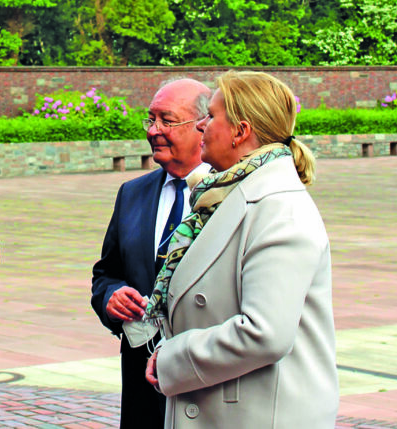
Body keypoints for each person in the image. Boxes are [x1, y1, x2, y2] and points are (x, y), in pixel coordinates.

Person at [144, 70, 339, 428]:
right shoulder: (227, 194)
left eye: (212, 116)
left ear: (241, 131)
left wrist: (174, 359)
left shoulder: (279, 208)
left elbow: (265, 333)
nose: (201, 125)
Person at [91, 78, 211, 428]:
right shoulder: (133, 193)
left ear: (202, 127)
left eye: (167, 120)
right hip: (142, 386)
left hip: (204, 381)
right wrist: (111, 298)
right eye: (150, 119)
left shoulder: (228, 195)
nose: (155, 130)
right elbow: (106, 272)